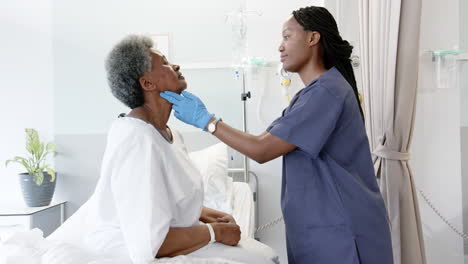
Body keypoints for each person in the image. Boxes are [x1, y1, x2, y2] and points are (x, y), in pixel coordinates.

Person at [160, 6, 393, 264]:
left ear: (312, 38)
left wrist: (208, 122)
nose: (280, 47)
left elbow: (263, 150)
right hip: (325, 228)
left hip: (341, 232)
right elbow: (263, 142)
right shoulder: (314, 93)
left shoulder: (326, 93)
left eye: (287, 37)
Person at [48, 35, 277, 264]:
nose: (176, 66)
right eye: (166, 63)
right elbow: (149, 243)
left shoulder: (169, 134)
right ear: (147, 84)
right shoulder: (137, 141)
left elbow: (165, 198)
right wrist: (214, 232)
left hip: (171, 236)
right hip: (134, 250)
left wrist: (203, 213)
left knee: (265, 256)